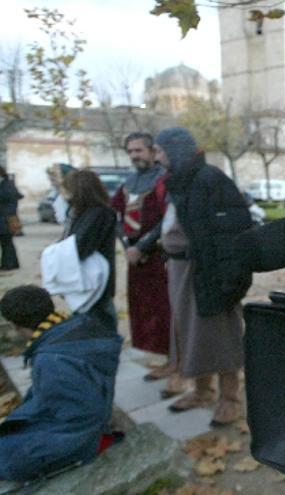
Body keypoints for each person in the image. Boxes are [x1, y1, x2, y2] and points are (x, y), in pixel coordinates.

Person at [156, 127, 252, 426]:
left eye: (160, 150)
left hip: (208, 271)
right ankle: (202, 390)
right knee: (190, 333)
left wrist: (229, 279)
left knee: (220, 333)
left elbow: (233, 231)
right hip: (182, 270)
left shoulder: (210, 179)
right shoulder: (181, 181)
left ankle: (230, 400)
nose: (157, 156)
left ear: (175, 150)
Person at [0, 285, 121, 482]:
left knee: (8, 458)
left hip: (81, 434)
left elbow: (76, 420)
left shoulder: (52, 360)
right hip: (77, 418)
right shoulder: (71, 327)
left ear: (15, 326)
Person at [110, 132, 174, 381]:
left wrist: (143, 247)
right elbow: (114, 216)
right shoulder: (128, 183)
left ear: (151, 151)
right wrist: (127, 245)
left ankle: (173, 360)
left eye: (139, 150)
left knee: (165, 309)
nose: (134, 156)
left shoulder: (164, 180)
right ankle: (156, 357)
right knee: (143, 308)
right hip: (135, 256)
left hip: (160, 255)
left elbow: (167, 220)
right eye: (130, 151)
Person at [62, 169, 118, 332]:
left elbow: (80, 247)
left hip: (94, 279)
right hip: (91, 279)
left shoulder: (98, 214)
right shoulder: (87, 213)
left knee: (99, 324)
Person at [0, 167, 22, 271]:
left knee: (6, 242)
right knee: (7, 242)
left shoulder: (6, 185)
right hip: (6, 217)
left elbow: (7, 198)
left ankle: (8, 264)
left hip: (6, 218)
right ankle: (11, 263)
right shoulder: (7, 184)